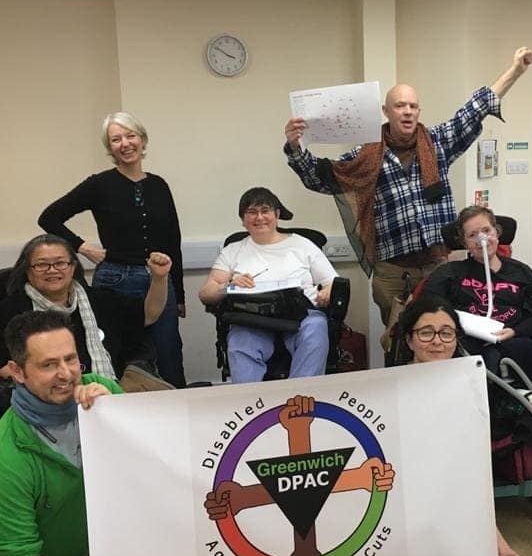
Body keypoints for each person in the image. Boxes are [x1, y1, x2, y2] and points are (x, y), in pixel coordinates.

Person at [283, 47, 532, 324]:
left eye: (413, 106)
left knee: (439, 334)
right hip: (392, 271)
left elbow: (474, 110)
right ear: (386, 111)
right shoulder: (365, 155)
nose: (407, 111)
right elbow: (321, 177)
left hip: (437, 266)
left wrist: (515, 71)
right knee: (397, 340)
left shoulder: (436, 143)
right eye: (400, 106)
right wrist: (296, 147)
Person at [0, 310, 123, 556]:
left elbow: (148, 464)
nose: (66, 374)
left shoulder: (104, 390)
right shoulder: (8, 452)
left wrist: (118, 414)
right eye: (48, 365)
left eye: (71, 359)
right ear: (17, 371)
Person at [38, 111, 186, 387]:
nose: (125, 144)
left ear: (142, 141)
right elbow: (49, 217)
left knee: (169, 354)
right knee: (120, 353)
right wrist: (84, 248)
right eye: (116, 139)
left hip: (160, 281)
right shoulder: (99, 184)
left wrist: (179, 294)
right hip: (116, 280)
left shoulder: (158, 185)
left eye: (130, 136)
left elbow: (172, 239)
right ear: (110, 148)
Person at [399, 293, 529, 556]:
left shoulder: (471, 389)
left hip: (450, 488)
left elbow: (469, 472)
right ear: (409, 340)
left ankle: (498, 549)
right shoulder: (389, 388)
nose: (437, 341)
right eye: (426, 332)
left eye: (446, 333)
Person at [422, 205, 532, 404]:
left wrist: (515, 331)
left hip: (514, 340)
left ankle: (529, 412)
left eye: (486, 231)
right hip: (466, 342)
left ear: (497, 233)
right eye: (472, 235)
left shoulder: (521, 273)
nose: (482, 239)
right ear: (464, 242)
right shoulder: (449, 273)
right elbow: (427, 308)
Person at [199, 187, 338, 383]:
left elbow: (333, 282)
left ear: (277, 214)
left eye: (265, 210)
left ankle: (301, 397)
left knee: (316, 328)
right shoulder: (233, 250)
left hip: (301, 315)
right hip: (252, 317)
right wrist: (230, 285)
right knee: (240, 343)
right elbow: (206, 293)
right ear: (242, 219)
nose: (260, 217)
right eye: (252, 212)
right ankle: (252, 405)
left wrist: (328, 292)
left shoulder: (302, 244)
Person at [0, 234, 171, 383]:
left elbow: (149, 315)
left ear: (73, 267)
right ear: (27, 271)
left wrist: (159, 278)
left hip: (104, 394)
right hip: (41, 403)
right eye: (41, 265)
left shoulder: (101, 301)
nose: (52, 271)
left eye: (60, 263)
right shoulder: (9, 311)